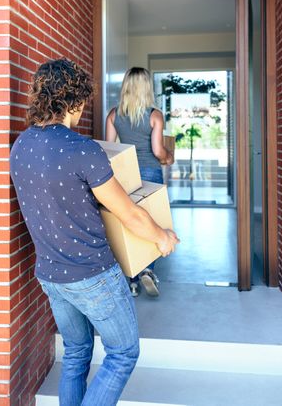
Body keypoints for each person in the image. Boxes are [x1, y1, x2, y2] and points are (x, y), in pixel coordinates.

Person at [10, 58, 179, 406]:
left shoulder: (20, 147)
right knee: (122, 353)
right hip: (93, 275)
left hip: (51, 276)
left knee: (76, 353)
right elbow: (129, 213)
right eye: (83, 100)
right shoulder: (83, 150)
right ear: (73, 101)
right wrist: (162, 236)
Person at [106, 67, 174, 298]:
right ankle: (147, 270)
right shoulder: (154, 115)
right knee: (153, 221)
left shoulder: (114, 115)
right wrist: (169, 156)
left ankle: (132, 280)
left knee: (129, 221)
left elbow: (110, 149)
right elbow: (157, 150)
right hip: (150, 174)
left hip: (124, 177)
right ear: (147, 87)